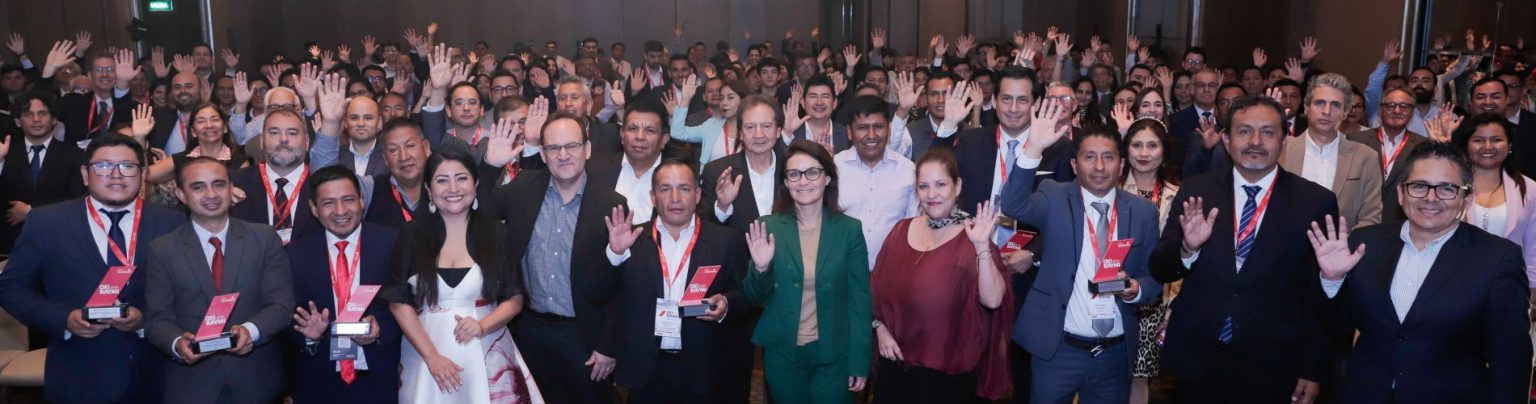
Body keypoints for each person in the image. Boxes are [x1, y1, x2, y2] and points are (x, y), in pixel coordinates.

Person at [1309, 141, 1532, 403]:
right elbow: (1339, 326)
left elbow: (1511, 359)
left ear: (1467, 197)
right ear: (1401, 194)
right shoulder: (1365, 243)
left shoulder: (1497, 258)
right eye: (1419, 186)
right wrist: (1332, 281)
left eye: (1447, 188)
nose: (1430, 197)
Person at [1150, 96, 1338, 402]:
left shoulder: (1315, 202)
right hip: (1199, 359)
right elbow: (1160, 267)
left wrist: (1312, 368)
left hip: (1275, 362)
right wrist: (1187, 248)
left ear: (1284, 140)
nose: (1255, 141)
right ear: (1226, 139)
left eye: (1267, 132)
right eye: (1244, 131)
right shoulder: (1197, 190)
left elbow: (1318, 298)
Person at [0, 135, 182, 403]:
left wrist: (146, 317)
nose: (116, 175)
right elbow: (10, 287)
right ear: (85, 174)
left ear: (143, 175)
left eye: (128, 166)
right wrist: (64, 319)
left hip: (154, 373)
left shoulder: (173, 223)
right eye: (104, 166)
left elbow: (188, 290)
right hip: (78, 372)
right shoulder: (46, 222)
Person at [1001, 103, 1162, 403]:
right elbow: (1012, 205)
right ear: (1075, 165)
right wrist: (1033, 149)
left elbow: (1153, 280)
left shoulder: (1142, 212)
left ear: (1121, 165)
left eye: (1108, 157)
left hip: (1114, 356)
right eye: (1089, 157)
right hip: (1058, 351)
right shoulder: (1054, 196)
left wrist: (1135, 289)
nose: (1099, 166)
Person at [482, 111, 626, 403]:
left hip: (583, 335)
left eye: (571, 146)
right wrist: (489, 167)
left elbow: (621, 286)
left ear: (587, 149)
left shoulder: (611, 204)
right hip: (529, 329)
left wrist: (609, 345)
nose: (563, 155)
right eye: (553, 148)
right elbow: (481, 211)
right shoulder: (523, 188)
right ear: (543, 154)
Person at [384, 150, 539, 403]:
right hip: (426, 356)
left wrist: (483, 325)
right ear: (428, 188)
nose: (453, 188)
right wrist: (432, 358)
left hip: (488, 350)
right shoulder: (412, 234)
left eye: (461, 178)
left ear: (475, 184)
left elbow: (514, 298)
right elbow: (398, 302)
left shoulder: (497, 234)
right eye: (442, 180)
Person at [589, 159, 750, 403]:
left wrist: (727, 304)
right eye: (665, 189)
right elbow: (597, 293)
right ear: (653, 197)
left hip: (704, 370)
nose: (675, 198)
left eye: (684, 188)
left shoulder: (726, 240)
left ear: (697, 195)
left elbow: (748, 297)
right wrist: (614, 253)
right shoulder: (630, 239)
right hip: (647, 371)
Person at [145, 156, 295, 403]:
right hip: (192, 386)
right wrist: (177, 342)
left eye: (218, 184)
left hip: (257, 382)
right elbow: (157, 320)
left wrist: (250, 331)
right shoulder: (162, 249)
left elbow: (281, 305)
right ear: (181, 195)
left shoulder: (264, 238)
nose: (211, 194)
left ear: (231, 188)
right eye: (198, 187)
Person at [869, 148, 1014, 401]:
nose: (931, 194)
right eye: (923, 186)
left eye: (940, 184)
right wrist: (880, 328)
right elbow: (874, 292)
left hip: (947, 379)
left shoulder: (974, 237)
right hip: (894, 369)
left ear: (957, 186)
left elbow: (993, 300)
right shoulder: (900, 231)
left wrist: (981, 246)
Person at [743, 139, 871, 403]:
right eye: (794, 174)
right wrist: (761, 268)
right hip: (783, 355)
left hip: (833, 355)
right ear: (785, 182)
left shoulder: (849, 230)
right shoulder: (768, 227)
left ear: (827, 178)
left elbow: (859, 302)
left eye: (812, 172)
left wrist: (859, 360)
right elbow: (756, 297)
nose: (803, 181)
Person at [285, 166, 402, 403]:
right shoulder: (293, 255)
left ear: (361, 201)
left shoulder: (393, 243)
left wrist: (380, 328)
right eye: (328, 203)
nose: (340, 211)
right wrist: (309, 336)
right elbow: (283, 314)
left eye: (348, 200)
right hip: (318, 383)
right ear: (314, 209)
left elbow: (410, 302)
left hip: (379, 378)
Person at [1118, 118, 1182, 404]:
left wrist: (1171, 308)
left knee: (1139, 376)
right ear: (1126, 150)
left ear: (1164, 152)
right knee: (1100, 372)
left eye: (1152, 146)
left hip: (1155, 300)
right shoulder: (1109, 189)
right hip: (1110, 291)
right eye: (1136, 145)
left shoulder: (1178, 196)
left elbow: (1181, 257)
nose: (1144, 153)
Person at [1280, 73, 1383, 229]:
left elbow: (1371, 218)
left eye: (1335, 105)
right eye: (1319, 103)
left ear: (1345, 112)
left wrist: (1344, 244)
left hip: (1344, 242)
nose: (1327, 111)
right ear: (1306, 108)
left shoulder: (1366, 157)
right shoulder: (1282, 150)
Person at [229, 106, 338, 244]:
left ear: (306, 142)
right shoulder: (234, 184)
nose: (284, 139)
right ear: (262, 141)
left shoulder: (324, 186)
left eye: (292, 133)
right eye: (274, 132)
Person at [1450, 113, 1536, 287]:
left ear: (1509, 145)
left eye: (1496, 140)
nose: (1487, 146)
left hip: (1510, 284)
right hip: (1456, 282)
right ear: (1467, 145)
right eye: (1478, 140)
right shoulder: (1450, 185)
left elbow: (1533, 249)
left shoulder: (1529, 189)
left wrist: (1531, 290)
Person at [834, 95, 917, 269]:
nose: (871, 135)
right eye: (862, 128)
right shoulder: (834, 169)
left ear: (889, 129)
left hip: (894, 270)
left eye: (878, 127)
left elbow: (915, 226)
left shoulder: (908, 171)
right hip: (843, 271)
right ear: (849, 132)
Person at [0, 92, 87, 254]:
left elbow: (77, 200)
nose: (36, 119)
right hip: (11, 244)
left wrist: (31, 211)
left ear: (54, 119)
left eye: (43, 113)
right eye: (28, 114)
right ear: (18, 121)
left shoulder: (74, 156)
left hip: (59, 241)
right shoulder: (6, 153)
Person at [1346, 88, 1425, 224]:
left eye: (1404, 106)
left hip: (1401, 221)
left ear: (1412, 112)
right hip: (1360, 219)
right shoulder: (1356, 139)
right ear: (1381, 110)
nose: (1397, 110)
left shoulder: (1422, 145)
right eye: (1391, 105)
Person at [587, 99, 670, 224]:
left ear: (664, 139)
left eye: (649, 130)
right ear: (622, 134)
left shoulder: (678, 177)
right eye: (633, 128)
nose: (640, 137)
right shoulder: (595, 168)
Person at [363, 118, 431, 228]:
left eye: (410, 146)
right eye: (393, 150)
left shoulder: (445, 187)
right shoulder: (372, 188)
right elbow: (334, 184)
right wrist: (333, 123)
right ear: (385, 159)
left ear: (426, 148)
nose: (404, 157)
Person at [669, 79, 749, 166]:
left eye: (730, 97)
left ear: (743, 100)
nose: (724, 103)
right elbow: (677, 133)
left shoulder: (753, 129)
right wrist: (685, 100)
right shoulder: (711, 126)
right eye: (721, 98)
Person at [1167, 69, 1225, 178]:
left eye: (1211, 85)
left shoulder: (1227, 119)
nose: (1206, 90)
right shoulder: (1175, 121)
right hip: (1188, 181)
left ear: (1218, 88)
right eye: (1201, 85)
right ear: (1192, 89)